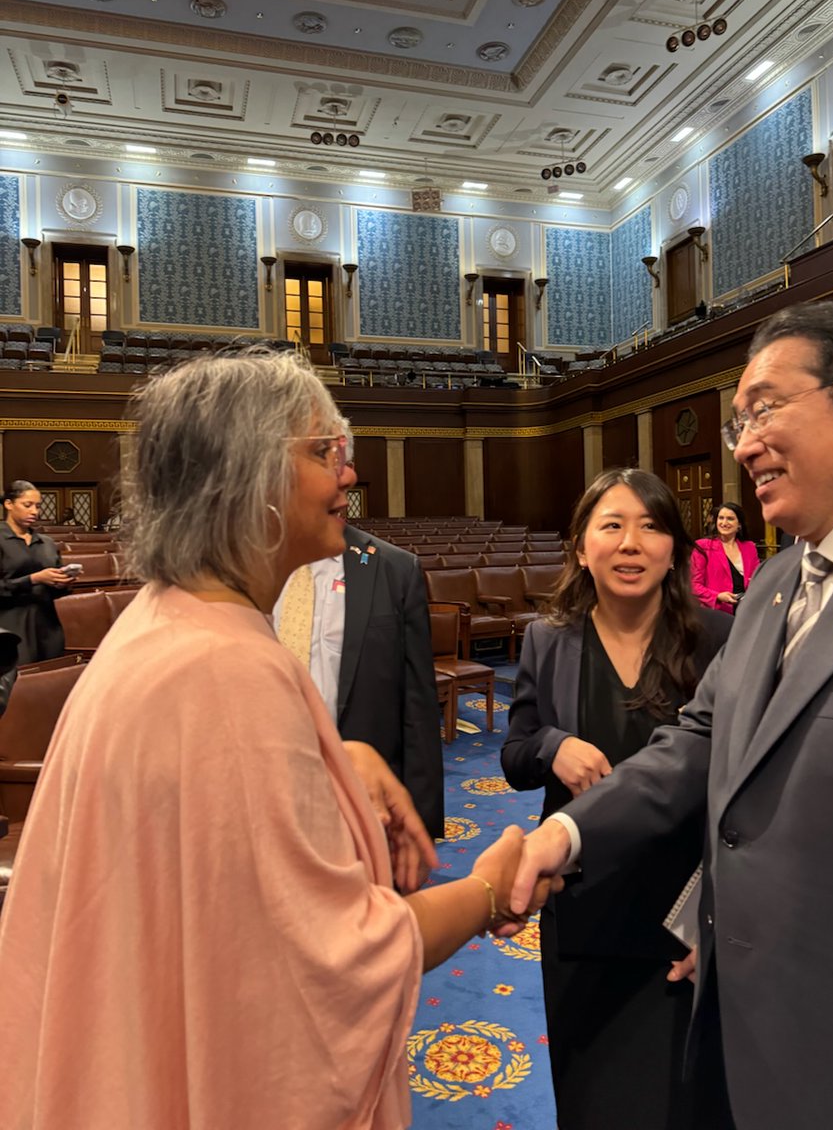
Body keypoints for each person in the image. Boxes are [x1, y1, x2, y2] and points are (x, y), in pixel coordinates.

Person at [0, 352, 554, 1130]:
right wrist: (489, 890)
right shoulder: (226, 672)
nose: (348, 478)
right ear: (250, 480)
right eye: (325, 452)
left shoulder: (168, 622)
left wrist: (338, 754)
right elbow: (332, 967)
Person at [509, 301, 833, 1130]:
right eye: (737, 423)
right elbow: (703, 741)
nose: (746, 443)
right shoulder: (773, 584)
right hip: (733, 1017)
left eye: (764, 408)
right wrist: (566, 834)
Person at [502, 467, 731, 1130]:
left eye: (652, 526)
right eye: (612, 526)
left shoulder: (717, 639)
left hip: (683, 915)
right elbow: (516, 761)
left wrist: (719, 913)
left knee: (685, 1103)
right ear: (581, 547)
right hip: (582, 906)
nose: (631, 544)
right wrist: (552, 745)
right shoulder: (547, 638)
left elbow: (735, 784)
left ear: (676, 550)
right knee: (591, 1099)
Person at [276, 424, 445, 839]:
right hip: (269, 799)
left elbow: (417, 708)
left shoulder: (393, 569)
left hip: (367, 807)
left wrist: (421, 821)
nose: (342, 475)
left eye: (344, 461)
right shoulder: (246, 569)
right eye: (322, 459)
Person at [0, 481, 71, 664]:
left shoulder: (46, 542)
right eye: (27, 505)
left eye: (37, 506)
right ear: (9, 504)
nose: (34, 511)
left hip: (48, 626)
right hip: (11, 626)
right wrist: (33, 579)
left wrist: (61, 583)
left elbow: (56, 591)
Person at [690, 502, 760, 613]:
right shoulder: (703, 547)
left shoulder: (749, 547)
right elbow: (694, 585)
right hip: (716, 611)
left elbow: (757, 578)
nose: (724, 523)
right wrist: (717, 596)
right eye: (721, 518)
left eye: (730, 519)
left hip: (746, 610)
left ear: (739, 524)